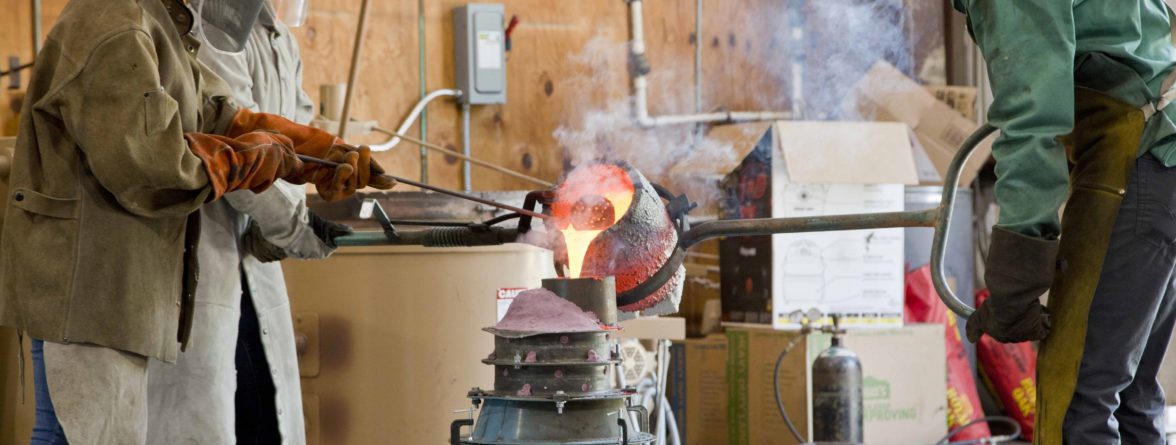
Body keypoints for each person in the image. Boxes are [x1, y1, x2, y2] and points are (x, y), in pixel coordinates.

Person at [2, 0, 393, 443]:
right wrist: (253, 161)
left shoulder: (158, 21)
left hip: (119, 290)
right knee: (70, 435)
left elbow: (218, 114)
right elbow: (148, 166)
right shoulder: (110, 21)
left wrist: (315, 152)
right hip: (89, 294)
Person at [955, 1, 1176, 444]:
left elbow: (1032, 116)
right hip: (1164, 157)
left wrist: (1015, 277)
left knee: (1073, 400)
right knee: (1129, 395)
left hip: (1140, 155)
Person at [144, 1, 347, 444]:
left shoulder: (279, 38)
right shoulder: (207, 26)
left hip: (252, 263)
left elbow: (294, 127)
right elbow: (229, 136)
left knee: (264, 421)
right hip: (201, 256)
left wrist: (329, 156)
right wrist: (292, 228)